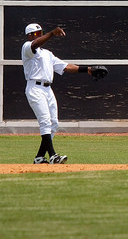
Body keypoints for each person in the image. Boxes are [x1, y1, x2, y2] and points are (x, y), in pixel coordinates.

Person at [22, 23, 97, 164]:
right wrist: (51, 34)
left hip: (47, 89)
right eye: (37, 34)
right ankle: (53, 156)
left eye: (41, 32)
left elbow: (65, 66)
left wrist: (87, 69)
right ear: (30, 35)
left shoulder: (47, 54)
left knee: (53, 123)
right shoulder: (27, 47)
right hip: (35, 87)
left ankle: (39, 157)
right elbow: (34, 44)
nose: (40, 35)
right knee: (45, 121)